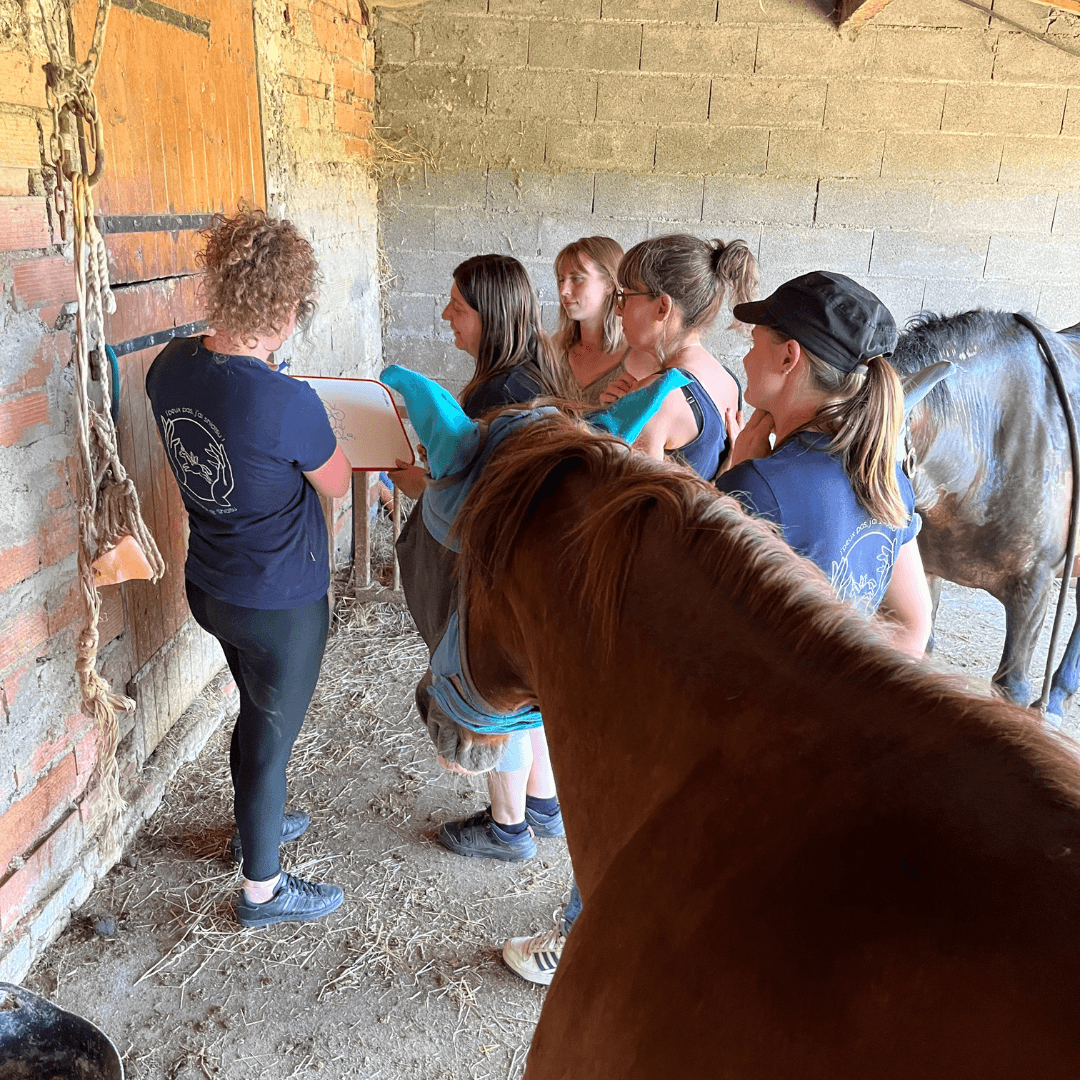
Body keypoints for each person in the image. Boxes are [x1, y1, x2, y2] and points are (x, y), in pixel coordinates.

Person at [501, 233, 760, 985]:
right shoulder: (714, 378)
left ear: (661, 308)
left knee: (611, 771)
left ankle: (581, 940)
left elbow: (605, 500)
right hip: (686, 584)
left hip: (639, 596)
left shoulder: (667, 396)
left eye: (622, 299)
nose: (615, 311)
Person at [145, 209, 352, 929]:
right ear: (289, 307)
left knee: (256, 712)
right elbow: (336, 482)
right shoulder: (286, 399)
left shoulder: (168, 365)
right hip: (279, 598)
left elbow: (224, 422)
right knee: (270, 735)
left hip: (211, 583)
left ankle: (254, 823)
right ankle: (263, 889)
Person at [388, 254, 575, 864]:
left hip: (496, 569)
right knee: (529, 685)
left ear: (490, 315)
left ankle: (507, 825)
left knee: (493, 683)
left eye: (459, 306)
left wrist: (422, 486)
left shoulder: (500, 393)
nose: (446, 314)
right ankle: (543, 803)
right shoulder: (542, 368)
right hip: (536, 566)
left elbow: (477, 504)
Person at [715, 270, 932, 656]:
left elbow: (704, 628)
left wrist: (737, 483)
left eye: (753, 343)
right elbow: (911, 629)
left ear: (788, 356)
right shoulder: (887, 478)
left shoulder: (754, 486)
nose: (746, 359)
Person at [602, 233, 758, 479]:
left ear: (662, 307)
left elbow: (640, 508)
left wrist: (631, 413)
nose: (618, 310)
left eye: (626, 296)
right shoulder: (728, 381)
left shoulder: (660, 398)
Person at [553, 236, 635, 406]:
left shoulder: (639, 356)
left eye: (576, 278)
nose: (563, 290)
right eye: (561, 280)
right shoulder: (555, 347)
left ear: (609, 284)